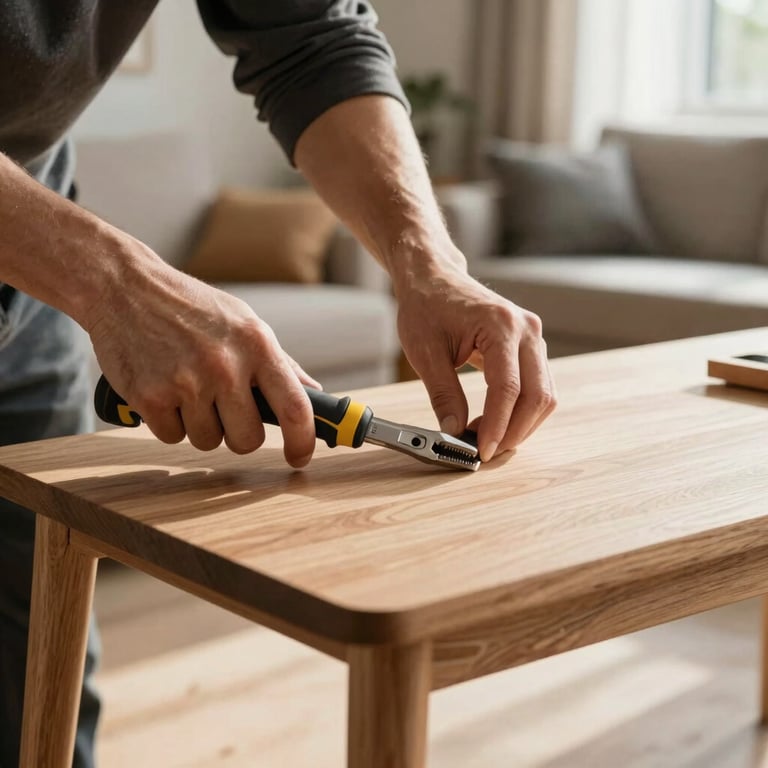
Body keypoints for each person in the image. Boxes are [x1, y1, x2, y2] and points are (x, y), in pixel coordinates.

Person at [0, 2, 556, 765]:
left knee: (34, 672)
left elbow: (313, 43)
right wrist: (113, 279)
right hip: (54, 261)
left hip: (26, 285)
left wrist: (430, 263)